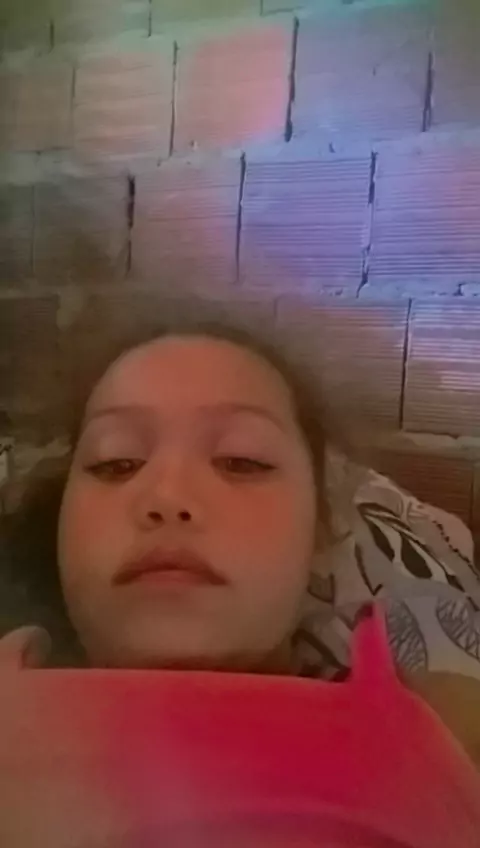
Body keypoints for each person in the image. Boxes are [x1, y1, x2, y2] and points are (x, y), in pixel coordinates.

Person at [1, 319, 480, 846]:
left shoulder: (446, 721)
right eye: (116, 462)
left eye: (241, 461)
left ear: (320, 528)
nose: (167, 497)